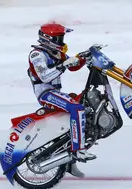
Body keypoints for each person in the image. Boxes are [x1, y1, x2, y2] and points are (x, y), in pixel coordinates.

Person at [27, 23, 96, 167]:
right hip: (45, 93)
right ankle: (78, 150)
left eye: (62, 38)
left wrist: (83, 57)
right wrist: (63, 65)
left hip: (54, 92)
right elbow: (45, 76)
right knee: (76, 108)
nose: (62, 41)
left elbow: (73, 66)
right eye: (59, 38)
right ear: (48, 38)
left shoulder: (56, 53)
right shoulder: (37, 54)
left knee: (85, 102)